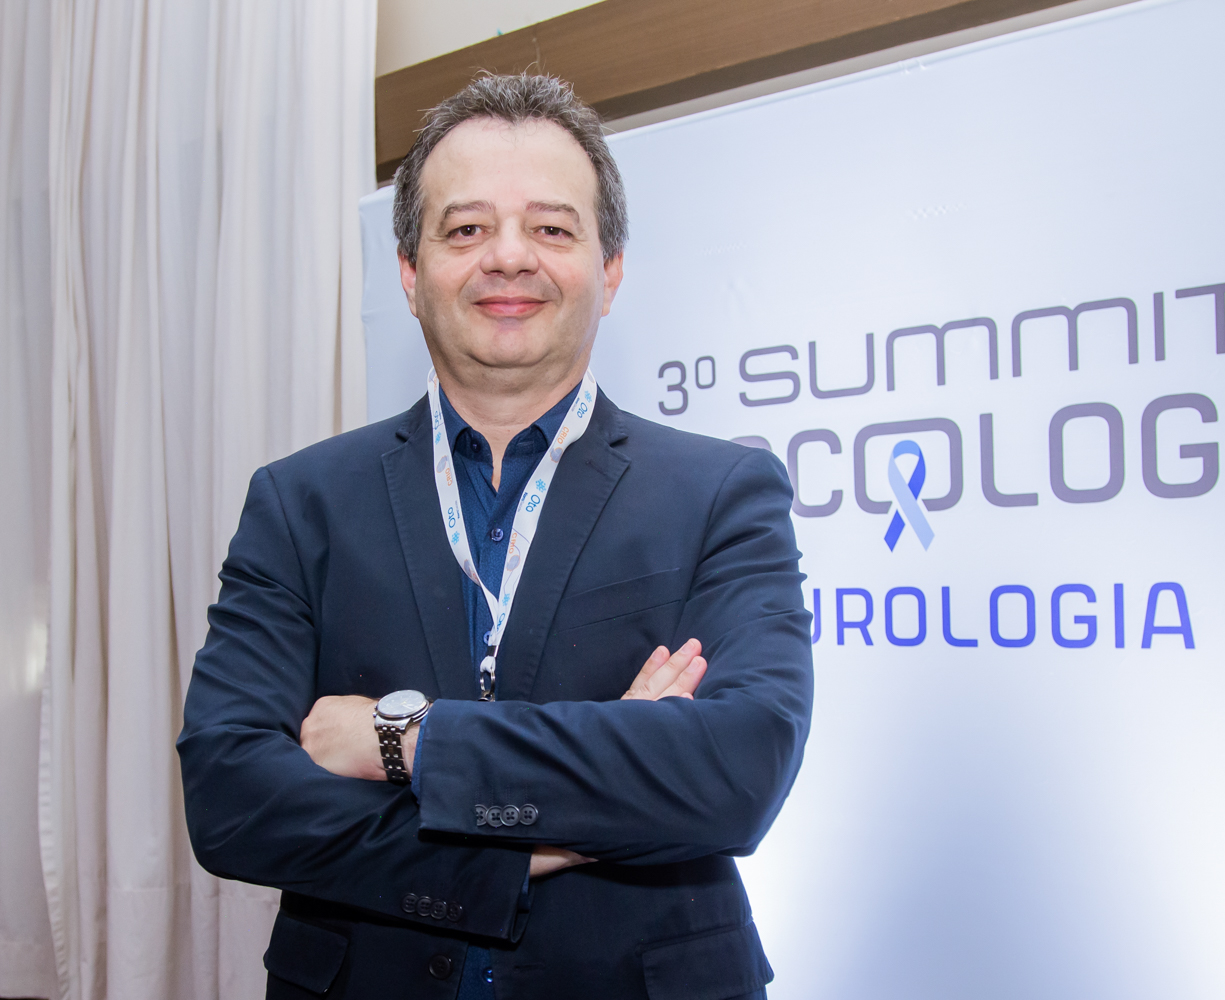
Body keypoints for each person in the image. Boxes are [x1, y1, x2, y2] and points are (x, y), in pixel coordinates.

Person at [177, 73, 814, 1000]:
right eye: (467, 229)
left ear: (611, 269)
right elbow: (232, 799)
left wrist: (405, 739)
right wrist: (554, 835)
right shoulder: (299, 501)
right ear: (409, 272)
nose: (509, 258)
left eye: (551, 229)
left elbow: (737, 770)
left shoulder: (722, 493)